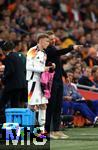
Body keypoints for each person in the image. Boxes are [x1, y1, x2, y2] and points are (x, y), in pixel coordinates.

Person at [45, 31, 83, 139]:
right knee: (51, 107)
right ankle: (48, 131)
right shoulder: (49, 50)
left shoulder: (54, 50)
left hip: (58, 81)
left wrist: (65, 76)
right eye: (50, 39)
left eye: (54, 38)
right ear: (46, 41)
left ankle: (56, 130)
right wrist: (72, 47)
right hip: (51, 81)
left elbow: (59, 65)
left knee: (57, 106)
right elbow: (61, 52)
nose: (53, 40)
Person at [26, 33, 54, 135]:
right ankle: (30, 128)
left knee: (43, 105)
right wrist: (43, 68)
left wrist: (49, 67)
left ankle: (41, 130)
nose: (48, 43)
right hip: (33, 81)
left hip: (42, 83)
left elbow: (42, 68)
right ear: (41, 40)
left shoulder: (44, 54)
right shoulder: (32, 51)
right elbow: (28, 67)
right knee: (32, 106)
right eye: (47, 41)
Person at [0, 41, 27, 123]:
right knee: (16, 106)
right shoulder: (20, 56)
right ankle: (18, 125)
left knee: (3, 104)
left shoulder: (8, 57)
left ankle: (12, 126)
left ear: (3, 50)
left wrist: (3, 79)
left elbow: (10, 71)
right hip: (22, 85)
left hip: (13, 86)